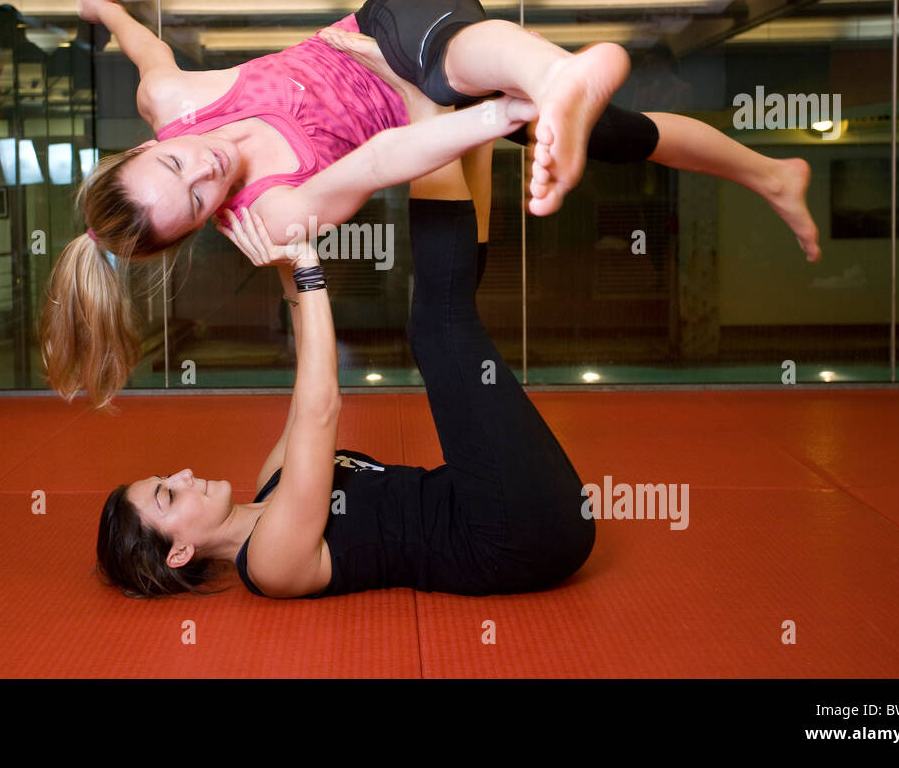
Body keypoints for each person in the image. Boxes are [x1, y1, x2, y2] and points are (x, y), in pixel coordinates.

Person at [42, 0, 820, 407]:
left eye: (178, 165)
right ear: (207, 225)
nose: (206, 169)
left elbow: (147, 49)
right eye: (203, 200)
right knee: (622, 136)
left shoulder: (173, 102)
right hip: (419, 115)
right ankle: (772, 174)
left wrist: (106, 9)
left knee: (442, 55)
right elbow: (386, 159)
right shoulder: (277, 211)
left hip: (385, 26)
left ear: (150, 142)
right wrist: (495, 117)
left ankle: (557, 77)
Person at [95, 161, 596, 599]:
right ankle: (432, 112)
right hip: (514, 537)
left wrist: (283, 258)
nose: (182, 477)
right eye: (168, 495)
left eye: (166, 478)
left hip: (489, 496)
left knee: (452, 308)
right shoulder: (269, 563)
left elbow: (304, 384)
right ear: (179, 552)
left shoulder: (273, 479)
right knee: (436, 329)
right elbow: (321, 408)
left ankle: (473, 130)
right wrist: (307, 262)